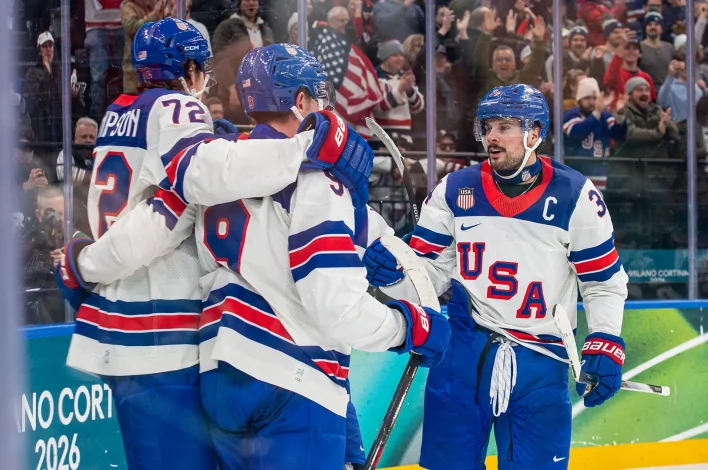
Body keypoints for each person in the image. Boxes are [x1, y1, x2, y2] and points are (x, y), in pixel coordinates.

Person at [54, 20, 376, 470]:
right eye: (201, 67)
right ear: (187, 69)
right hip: (160, 332)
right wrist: (307, 146)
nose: (204, 79)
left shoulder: (119, 112)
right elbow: (183, 193)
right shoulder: (178, 107)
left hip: (130, 330)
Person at [193, 44, 451, 470]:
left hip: (219, 375)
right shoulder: (318, 177)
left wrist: (386, 260)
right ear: (299, 102)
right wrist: (408, 327)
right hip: (291, 380)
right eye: (317, 95)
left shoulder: (224, 164)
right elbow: (337, 308)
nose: (324, 107)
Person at [363, 84, 630, 469]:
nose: (492, 136)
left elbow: (602, 280)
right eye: (487, 126)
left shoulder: (575, 196)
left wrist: (605, 337)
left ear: (534, 134)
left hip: (542, 361)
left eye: (505, 126)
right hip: (461, 356)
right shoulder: (455, 189)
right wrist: (393, 278)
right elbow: (430, 278)